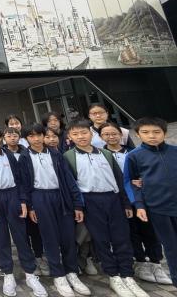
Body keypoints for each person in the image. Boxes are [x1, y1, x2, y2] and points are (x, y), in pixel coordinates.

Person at [64, 120, 148, 297]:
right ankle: (113, 275)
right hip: (90, 201)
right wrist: (78, 206)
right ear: (69, 137)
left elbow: (120, 180)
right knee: (100, 239)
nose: (81, 137)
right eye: (75, 134)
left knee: (121, 237)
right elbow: (71, 185)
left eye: (84, 133)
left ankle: (127, 274)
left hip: (113, 199)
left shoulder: (106, 154)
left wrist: (126, 203)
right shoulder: (68, 157)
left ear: (91, 134)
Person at [0, 125, 47, 297]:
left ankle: (30, 274)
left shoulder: (9, 155)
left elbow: (20, 180)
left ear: (1, 137)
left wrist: (23, 201)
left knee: (21, 236)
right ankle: (8, 274)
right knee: (1, 238)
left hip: (13, 196)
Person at [20, 123, 91, 297]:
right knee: (50, 237)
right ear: (26, 139)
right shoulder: (24, 157)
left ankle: (71, 272)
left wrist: (77, 204)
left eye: (39, 135)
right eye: (31, 136)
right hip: (40, 198)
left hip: (61, 196)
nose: (36, 139)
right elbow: (24, 184)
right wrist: (30, 206)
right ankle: (58, 275)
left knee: (68, 236)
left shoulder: (56, 154)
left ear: (43, 136)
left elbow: (69, 179)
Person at [101, 122, 171, 285]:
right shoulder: (102, 155)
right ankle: (140, 262)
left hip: (142, 197)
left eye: (114, 133)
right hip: (120, 200)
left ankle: (155, 262)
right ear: (101, 137)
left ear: (121, 134)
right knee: (131, 231)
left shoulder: (133, 152)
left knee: (149, 230)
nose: (111, 137)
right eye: (106, 134)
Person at [124, 117, 177, 287]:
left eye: (156, 132)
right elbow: (131, 182)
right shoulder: (133, 156)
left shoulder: (174, 151)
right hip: (158, 208)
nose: (152, 136)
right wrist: (139, 205)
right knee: (171, 248)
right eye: (145, 132)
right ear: (138, 135)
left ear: (164, 133)